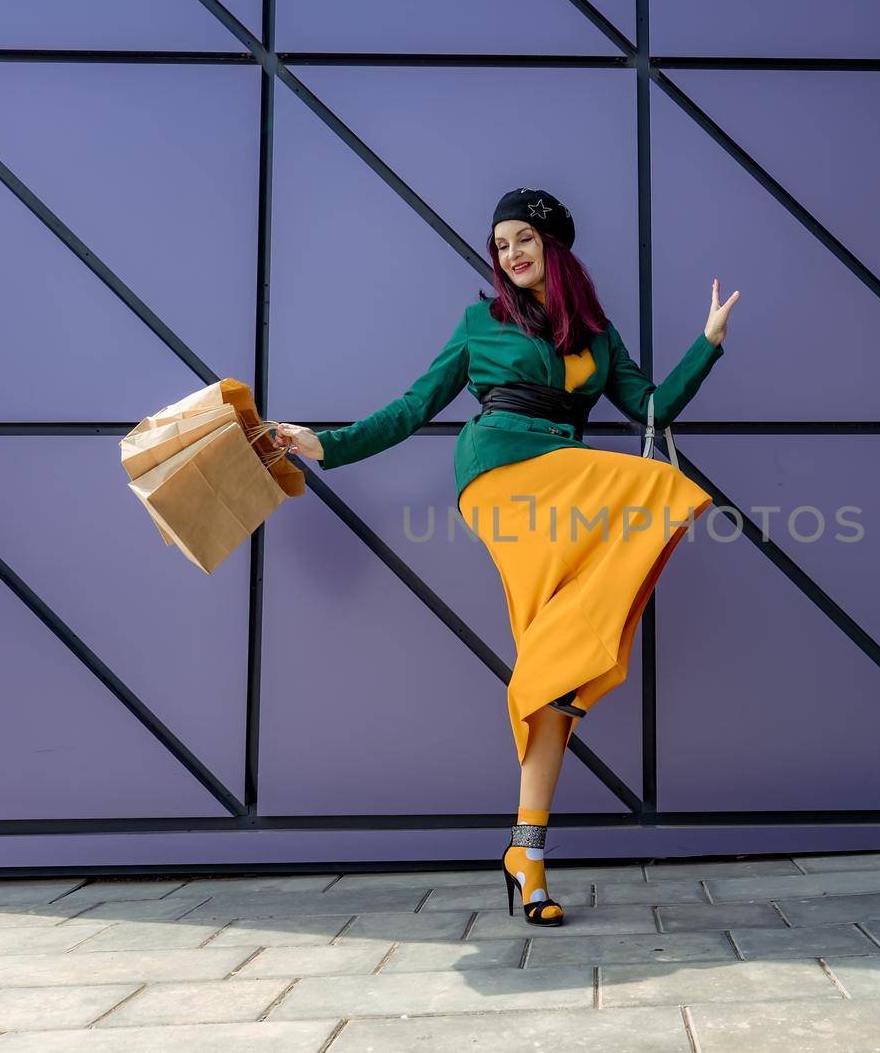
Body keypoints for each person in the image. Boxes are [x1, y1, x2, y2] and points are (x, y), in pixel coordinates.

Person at [273, 187, 739, 926]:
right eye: (501, 244)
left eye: (523, 238)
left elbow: (652, 407)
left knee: (552, 667)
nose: (511, 254)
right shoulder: (480, 322)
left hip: (568, 482)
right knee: (653, 483)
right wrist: (326, 442)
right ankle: (540, 738)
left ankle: (527, 854)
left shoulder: (597, 336)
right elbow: (413, 405)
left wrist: (707, 341)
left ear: (554, 243)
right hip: (500, 472)